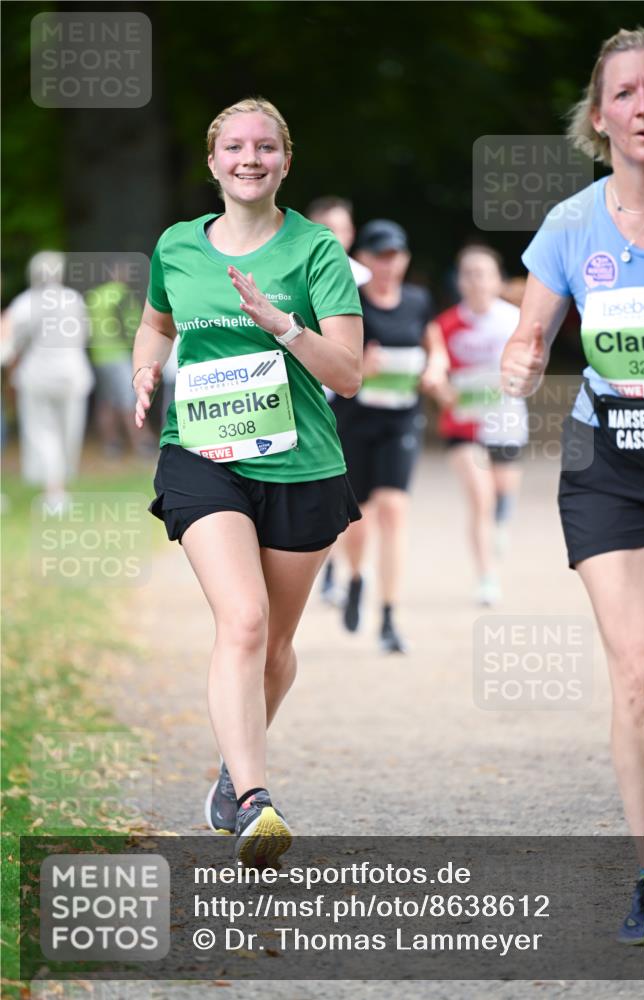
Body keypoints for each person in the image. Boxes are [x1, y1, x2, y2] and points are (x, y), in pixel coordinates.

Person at [132, 97, 363, 867]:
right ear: (212, 161)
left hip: (301, 466)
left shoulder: (316, 251)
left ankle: (234, 772)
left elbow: (350, 374)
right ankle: (257, 803)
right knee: (244, 621)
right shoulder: (177, 246)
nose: (249, 159)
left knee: (276, 646)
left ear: (285, 161)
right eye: (234, 147)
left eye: (265, 147)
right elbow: (157, 323)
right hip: (201, 455)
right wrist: (143, 369)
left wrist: (282, 326)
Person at [501, 28, 644, 944]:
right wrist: (520, 364)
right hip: (611, 466)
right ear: (598, 118)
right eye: (627, 94)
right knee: (642, 672)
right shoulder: (571, 225)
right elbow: (528, 338)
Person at [332, 220, 447, 652]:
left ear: (405, 259)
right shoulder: (350, 301)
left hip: (401, 420)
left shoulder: (418, 300)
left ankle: (389, 616)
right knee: (357, 520)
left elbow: (434, 344)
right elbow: (331, 355)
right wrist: (360, 364)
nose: (388, 264)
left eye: (395, 255)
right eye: (380, 255)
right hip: (355, 421)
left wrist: (436, 368)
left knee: (394, 510)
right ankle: (356, 579)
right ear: (365, 260)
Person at [436, 245, 528, 605]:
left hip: (506, 420)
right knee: (480, 499)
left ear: (497, 279)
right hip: (463, 426)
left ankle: (503, 521)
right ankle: (487, 578)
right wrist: (442, 390)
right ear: (459, 280)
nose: (476, 280)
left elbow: (531, 364)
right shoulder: (445, 325)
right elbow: (437, 372)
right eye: (468, 273)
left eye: (483, 273)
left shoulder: (515, 320)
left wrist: (516, 379)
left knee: (502, 492)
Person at [306, 196, 371, 605]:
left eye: (342, 228)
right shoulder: (295, 271)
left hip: (352, 399)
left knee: (351, 489)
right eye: (326, 228)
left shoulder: (364, 279)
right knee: (316, 490)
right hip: (310, 398)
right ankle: (325, 566)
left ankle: (349, 571)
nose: (336, 236)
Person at [7, 251, 94, 512]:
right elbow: (85, 335)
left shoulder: (26, 301)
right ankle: (59, 489)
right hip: (73, 375)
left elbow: (10, 339)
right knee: (68, 432)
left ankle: (53, 492)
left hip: (38, 376)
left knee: (42, 433)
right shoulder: (74, 299)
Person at [86, 262, 153, 458]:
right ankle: (142, 444)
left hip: (99, 356)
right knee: (129, 399)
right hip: (118, 354)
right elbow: (133, 328)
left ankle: (111, 445)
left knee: (106, 401)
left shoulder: (93, 296)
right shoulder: (123, 294)